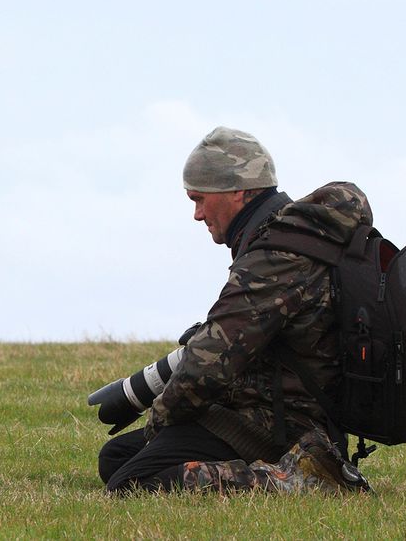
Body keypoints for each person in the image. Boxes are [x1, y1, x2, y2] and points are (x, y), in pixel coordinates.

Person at [97, 127, 371, 494]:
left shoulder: (274, 258)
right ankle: (305, 465)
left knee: (131, 481)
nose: (196, 214)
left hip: (280, 424)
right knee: (116, 458)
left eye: (199, 199)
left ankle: (301, 479)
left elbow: (206, 366)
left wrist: (158, 422)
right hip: (282, 411)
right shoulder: (295, 241)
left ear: (239, 191)